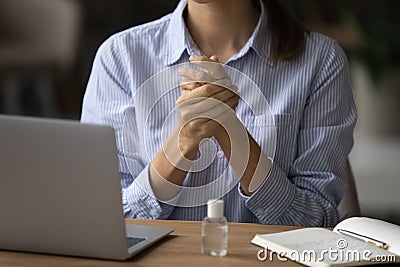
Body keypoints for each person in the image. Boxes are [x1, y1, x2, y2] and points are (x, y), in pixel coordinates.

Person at [81, 0, 356, 226]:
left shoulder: (321, 61)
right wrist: (184, 140)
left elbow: (315, 223)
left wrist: (231, 132)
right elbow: (104, 223)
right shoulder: (120, 57)